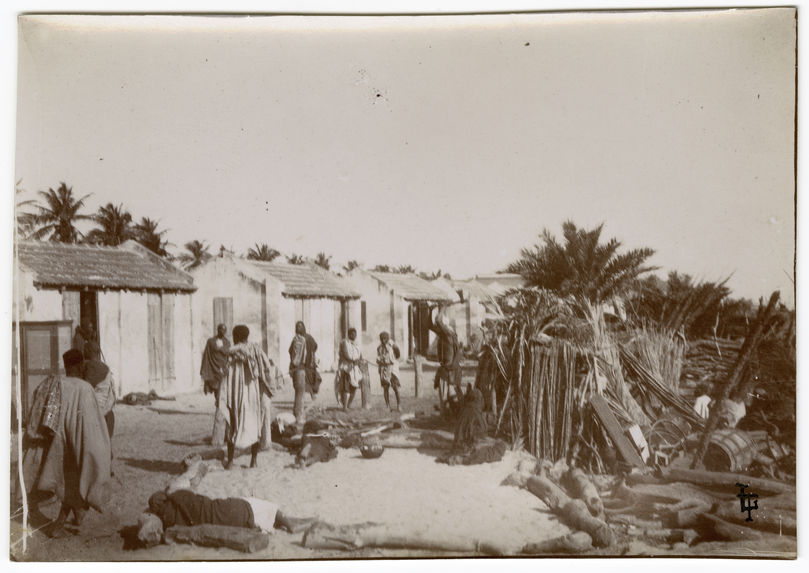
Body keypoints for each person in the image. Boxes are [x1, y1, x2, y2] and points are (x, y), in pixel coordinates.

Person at [24, 349, 111, 538]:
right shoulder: (83, 388)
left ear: (66, 366)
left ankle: (75, 514)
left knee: (68, 484)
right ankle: (58, 525)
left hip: (55, 445)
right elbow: (90, 425)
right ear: (80, 366)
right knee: (76, 481)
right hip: (72, 446)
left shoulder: (54, 383)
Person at [223, 325, 282, 469]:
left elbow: (224, 373)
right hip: (253, 392)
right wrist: (268, 387)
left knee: (233, 422)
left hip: (235, 393)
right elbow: (266, 367)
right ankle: (253, 461)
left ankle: (230, 462)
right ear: (247, 336)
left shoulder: (231, 353)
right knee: (255, 422)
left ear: (236, 336)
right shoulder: (255, 350)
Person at [147, 489, 316, 534]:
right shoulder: (179, 497)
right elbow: (181, 493)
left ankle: (291, 520)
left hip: (226, 521)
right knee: (266, 505)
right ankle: (293, 524)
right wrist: (170, 494)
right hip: (227, 509)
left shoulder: (171, 520)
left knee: (262, 513)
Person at [80, 341, 116, 470]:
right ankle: (107, 467)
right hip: (108, 413)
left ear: (88, 352)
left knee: (92, 443)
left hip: (95, 413)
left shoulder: (90, 366)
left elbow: (84, 387)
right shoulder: (106, 368)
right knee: (106, 441)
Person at [200, 324, 231, 445]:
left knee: (223, 402)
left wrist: (221, 349)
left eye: (224, 329)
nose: (222, 331)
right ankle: (219, 437)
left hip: (224, 374)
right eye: (220, 329)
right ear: (217, 330)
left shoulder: (227, 342)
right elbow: (207, 355)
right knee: (219, 401)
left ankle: (224, 434)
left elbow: (228, 353)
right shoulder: (211, 341)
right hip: (214, 374)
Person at [430, 307, 463, 413]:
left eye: (440, 326)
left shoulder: (448, 334)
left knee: (450, 394)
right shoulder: (446, 334)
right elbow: (429, 325)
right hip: (445, 369)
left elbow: (438, 320)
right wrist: (430, 310)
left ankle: (449, 412)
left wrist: (443, 306)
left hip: (450, 369)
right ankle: (447, 413)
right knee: (446, 394)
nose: (437, 328)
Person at [288, 321, 319, 426]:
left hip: (302, 368)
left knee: (299, 392)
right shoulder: (298, 339)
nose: (298, 328)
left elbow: (290, 351)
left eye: (300, 326)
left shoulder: (299, 339)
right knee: (300, 392)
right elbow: (315, 347)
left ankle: (297, 414)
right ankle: (299, 416)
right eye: (297, 326)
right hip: (301, 368)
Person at [337, 328, 363, 410]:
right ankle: (344, 406)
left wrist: (359, 361)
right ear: (349, 334)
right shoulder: (345, 342)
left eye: (355, 334)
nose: (354, 335)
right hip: (346, 368)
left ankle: (349, 405)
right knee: (346, 387)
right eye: (352, 334)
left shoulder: (356, 344)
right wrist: (354, 360)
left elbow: (360, 355)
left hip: (355, 368)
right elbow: (346, 354)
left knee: (354, 386)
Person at [377, 331, 401, 411]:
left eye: (385, 339)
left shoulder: (393, 346)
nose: (383, 341)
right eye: (382, 339)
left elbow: (398, 355)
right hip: (384, 370)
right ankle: (388, 406)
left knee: (395, 387)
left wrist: (391, 361)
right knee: (385, 388)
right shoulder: (379, 348)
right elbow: (378, 358)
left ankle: (399, 405)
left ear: (388, 338)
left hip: (392, 369)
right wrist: (380, 361)